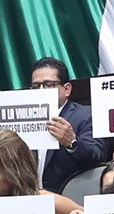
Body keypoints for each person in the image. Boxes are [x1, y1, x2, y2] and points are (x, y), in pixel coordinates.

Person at [27, 57, 107, 191]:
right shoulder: (24, 117)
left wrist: (72, 142)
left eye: (48, 84)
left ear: (67, 89)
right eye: (36, 86)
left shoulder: (86, 115)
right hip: (29, 196)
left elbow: (97, 156)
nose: (41, 90)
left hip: (68, 196)